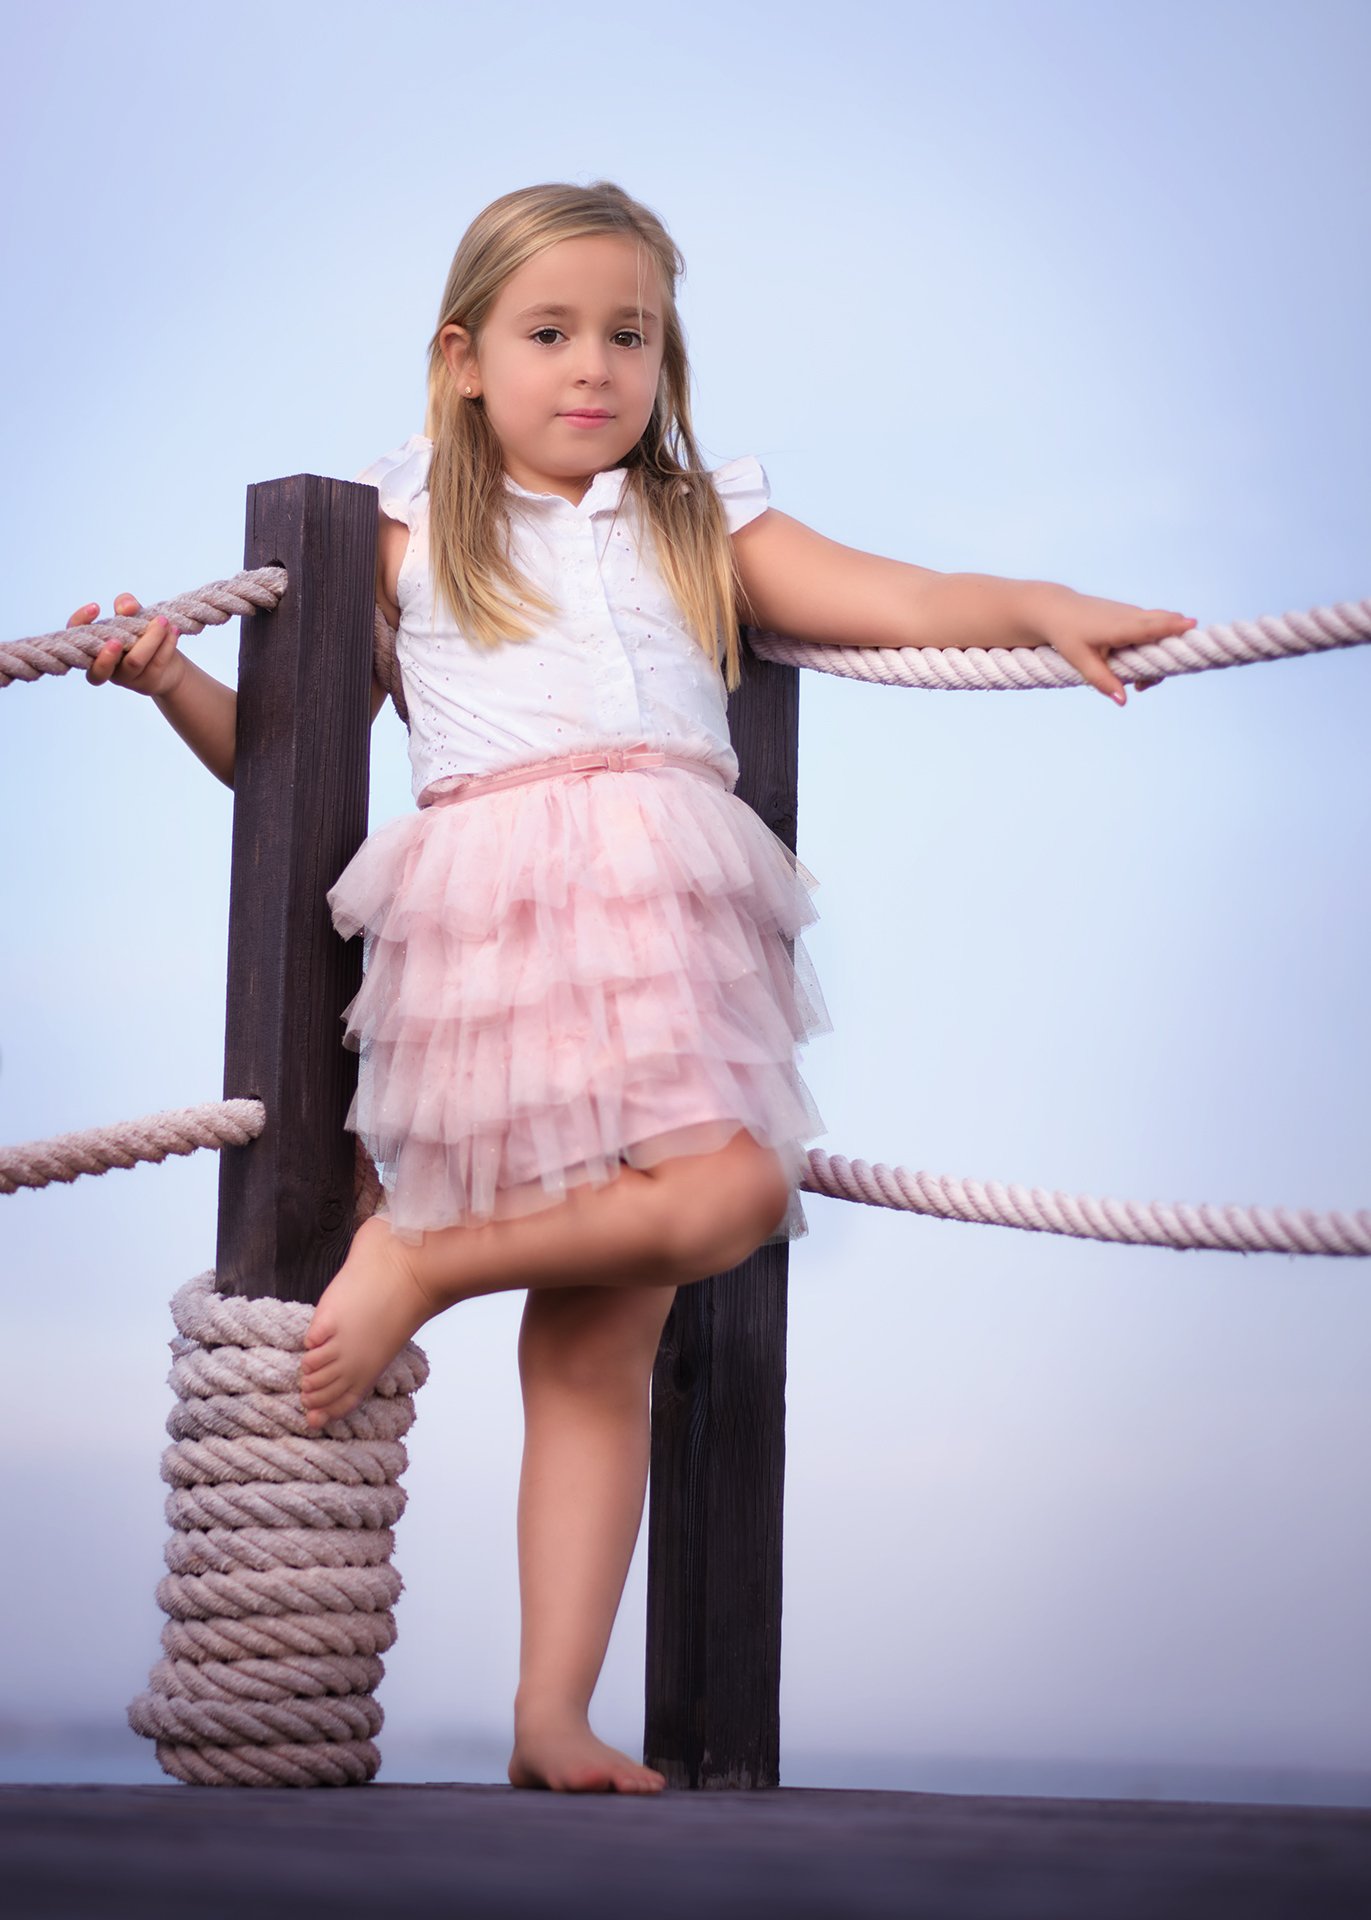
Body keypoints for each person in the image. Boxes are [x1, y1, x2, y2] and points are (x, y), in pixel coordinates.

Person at [71, 180, 1195, 1794]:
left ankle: (548, 1715)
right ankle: (434, 1260)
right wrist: (175, 674)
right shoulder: (400, 534)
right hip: (494, 942)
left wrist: (1037, 609)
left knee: (612, 1342)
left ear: (667, 357)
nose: (592, 367)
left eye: (630, 335)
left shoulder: (699, 520)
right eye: (550, 334)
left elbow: (908, 598)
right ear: (462, 358)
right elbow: (283, 763)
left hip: (671, 941)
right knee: (729, 1201)